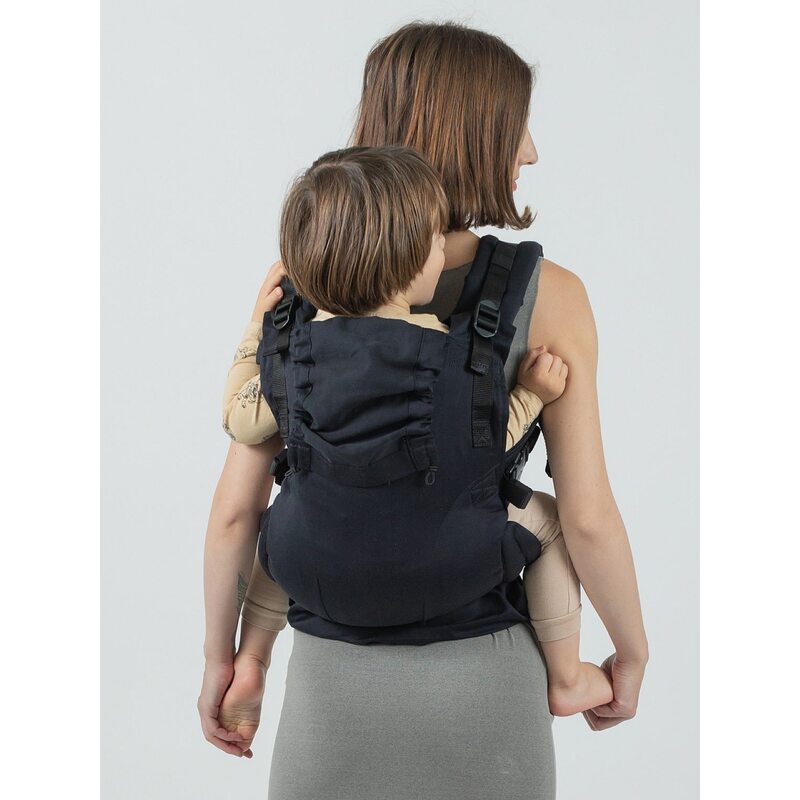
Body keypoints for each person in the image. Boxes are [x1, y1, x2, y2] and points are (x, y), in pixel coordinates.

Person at [198, 21, 648, 800]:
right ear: (471, 131)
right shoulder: (551, 296)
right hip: (488, 694)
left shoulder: (304, 276)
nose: (531, 151)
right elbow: (586, 517)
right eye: (516, 127)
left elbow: (240, 511)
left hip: (331, 691)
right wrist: (631, 653)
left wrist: (228, 657)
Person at [220, 143, 612, 719]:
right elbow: (484, 444)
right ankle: (568, 675)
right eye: (433, 240)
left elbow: (237, 416)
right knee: (551, 524)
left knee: (287, 525)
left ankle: (253, 657)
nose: (443, 250)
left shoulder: (293, 356)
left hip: (319, 572)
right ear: (403, 261)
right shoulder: (445, 352)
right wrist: (534, 394)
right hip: (440, 570)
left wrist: (258, 325)